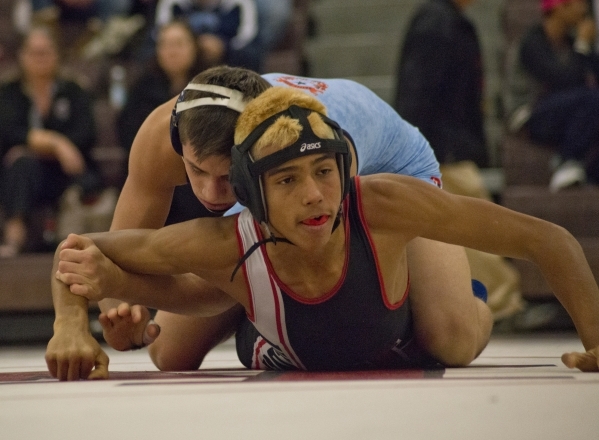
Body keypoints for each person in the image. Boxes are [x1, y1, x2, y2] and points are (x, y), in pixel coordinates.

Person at [46, 86, 599, 380]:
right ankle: (258, 304)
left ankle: (458, 297)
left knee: (446, 337)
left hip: (385, 168)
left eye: (225, 179)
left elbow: (546, 239)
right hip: (267, 206)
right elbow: (96, 256)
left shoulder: (335, 173)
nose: (213, 196)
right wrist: (95, 317)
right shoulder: (166, 141)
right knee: (170, 353)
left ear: (244, 167)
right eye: (197, 175)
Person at [394, 0, 525, 322]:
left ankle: (489, 303)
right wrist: (415, 148)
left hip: (449, 144)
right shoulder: (437, 22)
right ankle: (499, 303)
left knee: (471, 228)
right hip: (441, 147)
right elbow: (419, 88)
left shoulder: (450, 20)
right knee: (476, 228)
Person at [0, 25, 100, 257]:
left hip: (66, 170)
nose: (40, 58)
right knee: (22, 165)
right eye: (34, 53)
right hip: (22, 172)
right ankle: (15, 235)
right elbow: (7, 131)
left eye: (46, 52)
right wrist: (55, 144)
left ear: (57, 55)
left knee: (26, 160)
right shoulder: (8, 92)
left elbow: (86, 134)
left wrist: (45, 147)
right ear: (22, 57)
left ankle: (73, 247)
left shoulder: (74, 89)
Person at [505, 0, 599, 191]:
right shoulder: (532, 42)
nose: (583, 10)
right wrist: (582, 45)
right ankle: (567, 160)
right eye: (577, 4)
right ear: (559, 7)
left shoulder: (569, 42)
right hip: (529, 113)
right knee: (590, 99)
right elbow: (563, 79)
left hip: (563, 109)